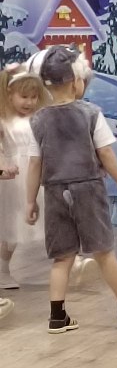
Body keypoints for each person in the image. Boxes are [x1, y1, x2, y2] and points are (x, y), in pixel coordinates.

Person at [26, 46, 117, 333]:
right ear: (76, 81)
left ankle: (57, 316)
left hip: (55, 192)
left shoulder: (37, 121)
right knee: (103, 251)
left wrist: (30, 201)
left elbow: (35, 164)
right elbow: (106, 153)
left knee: (62, 257)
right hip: (87, 189)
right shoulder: (91, 114)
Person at [25, 46, 97, 284]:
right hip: (54, 179)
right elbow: (35, 162)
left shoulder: (78, 114)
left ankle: (71, 261)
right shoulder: (43, 119)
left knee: (64, 229)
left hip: (55, 180)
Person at [0, 63, 48, 289]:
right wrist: (3, 164)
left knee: (39, 221)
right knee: (11, 226)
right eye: (24, 96)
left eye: (34, 97)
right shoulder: (4, 120)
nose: (29, 102)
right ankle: (2, 269)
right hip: (13, 179)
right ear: (9, 94)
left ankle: (70, 262)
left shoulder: (37, 119)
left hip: (35, 174)